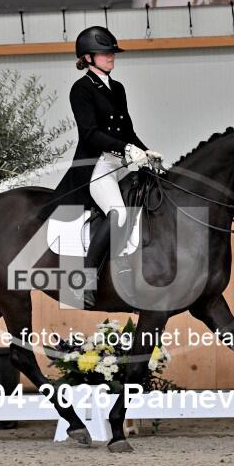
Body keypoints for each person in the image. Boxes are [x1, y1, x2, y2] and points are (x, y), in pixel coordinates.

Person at [38, 25, 161, 308]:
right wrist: (125, 149)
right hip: (97, 164)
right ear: (88, 58)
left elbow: (127, 131)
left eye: (112, 52)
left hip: (120, 162)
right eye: (105, 53)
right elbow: (90, 133)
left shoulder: (118, 88)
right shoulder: (81, 89)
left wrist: (144, 152)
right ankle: (86, 280)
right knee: (118, 214)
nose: (111, 56)